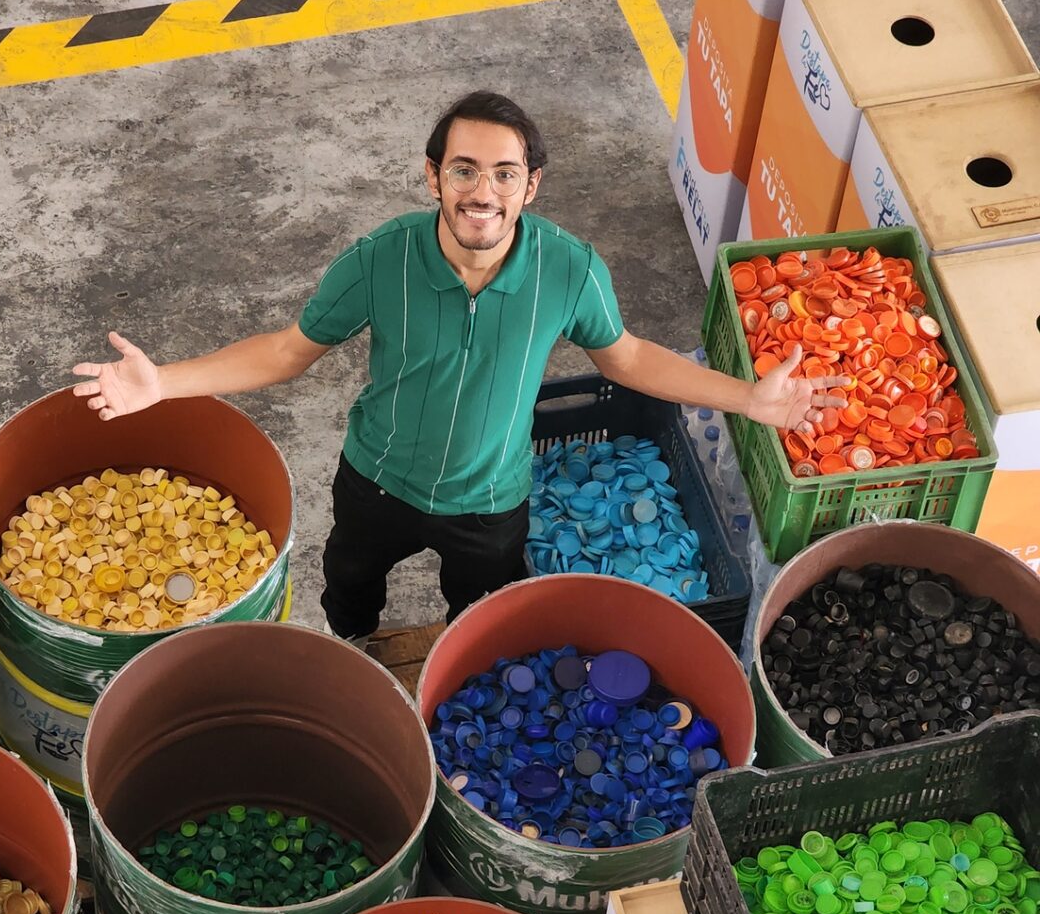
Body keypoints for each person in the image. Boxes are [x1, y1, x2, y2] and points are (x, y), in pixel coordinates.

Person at [72, 90, 842, 641]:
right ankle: (357, 647)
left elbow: (629, 357)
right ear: (432, 175)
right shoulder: (379, 260)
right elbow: (286, 350)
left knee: (476, 616)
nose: (484, 191)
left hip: (490, 502)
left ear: (531, 187)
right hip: (376, 480)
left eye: (505, 174)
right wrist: (164, 382)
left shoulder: (569, 269)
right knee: (348, 589)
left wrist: (747, 399)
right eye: (465, 169)